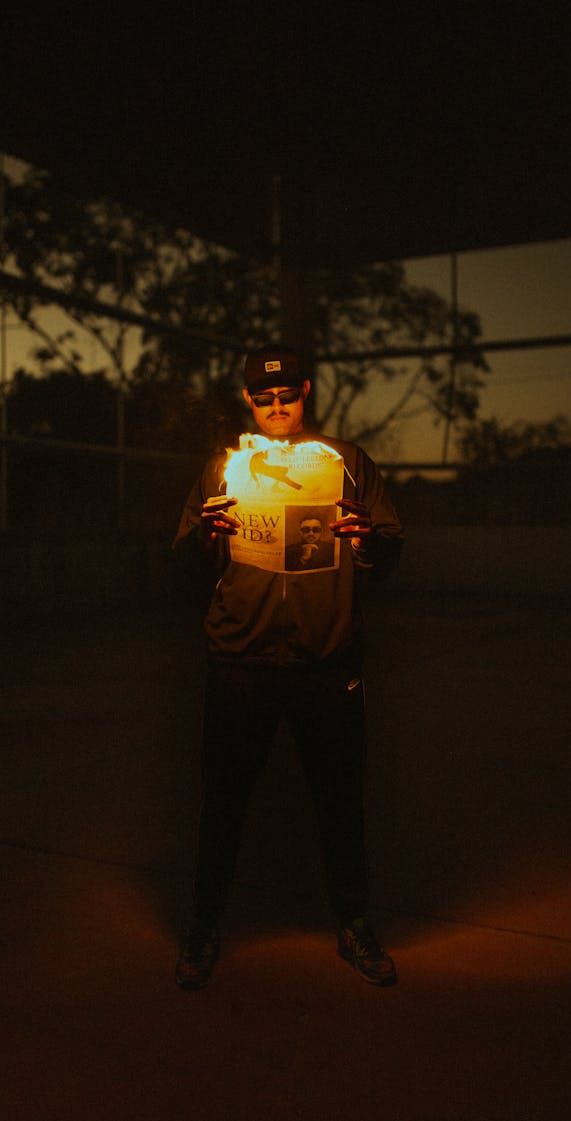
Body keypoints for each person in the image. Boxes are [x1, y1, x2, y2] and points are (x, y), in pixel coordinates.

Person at [172, 344, 403, 989]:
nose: (276, 408)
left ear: (305, 392)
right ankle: (203, 927)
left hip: (326, 660)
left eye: (287, 396)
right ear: (248, 400)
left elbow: (390, 548)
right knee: (222, 803)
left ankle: (354, 925)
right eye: (263, 399)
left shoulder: (347, 463)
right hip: (239, 658)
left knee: (340, 803)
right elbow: (183, 560)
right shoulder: (226, 466)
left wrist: (365, 543)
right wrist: (209, 535)